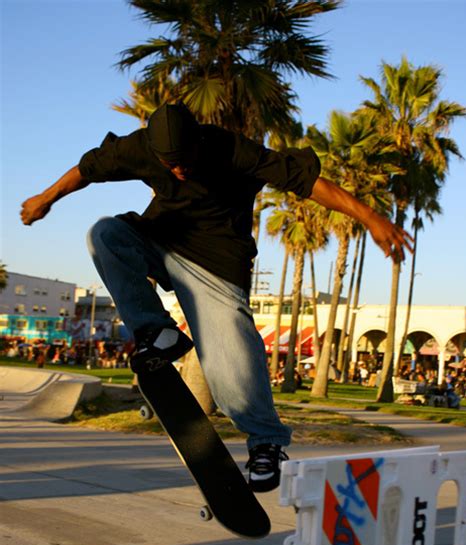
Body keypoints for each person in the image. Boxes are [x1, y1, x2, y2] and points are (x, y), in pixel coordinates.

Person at [20, 103, 412, 492]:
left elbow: (306, 183)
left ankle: (265, 442)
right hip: (162, 240)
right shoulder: (137, 147)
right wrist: (46, 197)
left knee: (232, 367)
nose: (178, 170)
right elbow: (87, 170)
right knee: (106, 235)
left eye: (185, 161)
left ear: (198, 142)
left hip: (218, 263)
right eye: (169, 164)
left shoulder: (232, 149)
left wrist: (372, 218)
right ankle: (158, 333)